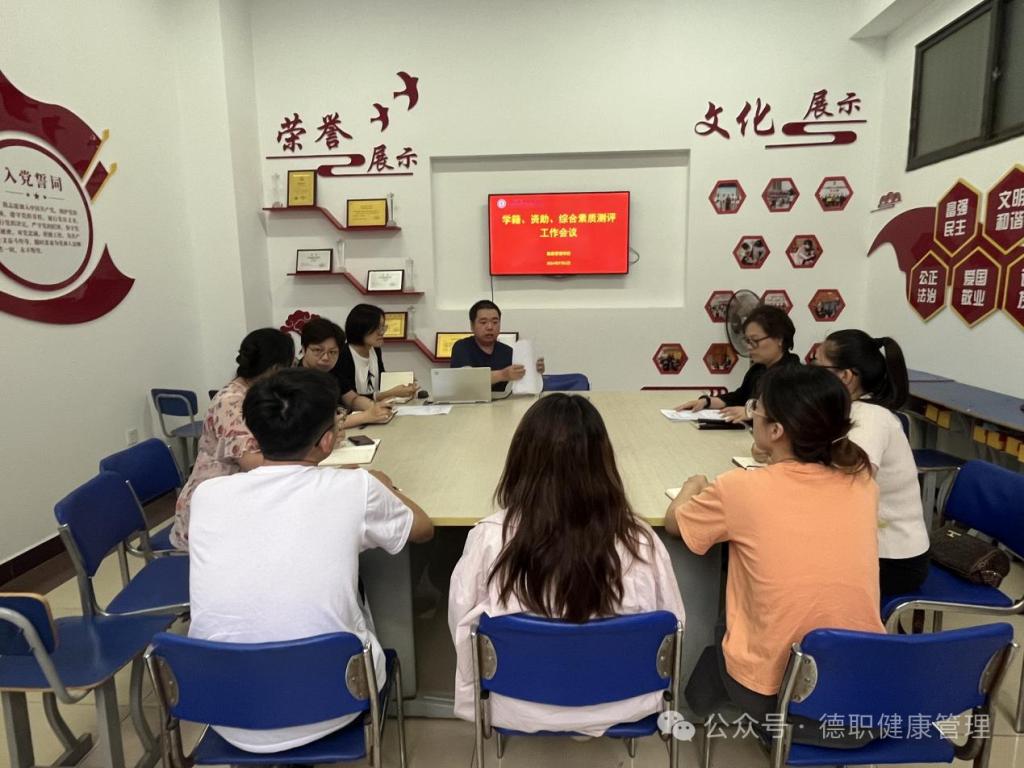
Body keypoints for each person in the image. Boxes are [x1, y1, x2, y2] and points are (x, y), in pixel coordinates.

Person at [187, 367, 433, 753]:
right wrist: (385, 486)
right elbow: (422, 529)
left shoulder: (208, 495)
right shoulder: (356, 488)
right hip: (335, 700)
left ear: (255, 433)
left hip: (223, 706)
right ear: (327, 441)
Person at [664, 365, 884, 747]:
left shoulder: (740, 489)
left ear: (777, 430)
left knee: (727, 603)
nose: (752, 414)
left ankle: (698, 705)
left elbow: (675, 523)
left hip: (779, 700)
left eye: (756, 410)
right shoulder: (862, 482)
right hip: (867, 695)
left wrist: (692, 486)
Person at [449, 394, 684, 735]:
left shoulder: (489, 538)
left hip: (512, 702)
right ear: (604, 462)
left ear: (520, 460)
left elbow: (461, 626)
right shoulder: (640, 541)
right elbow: (674, 628)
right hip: (626, 702)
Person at [813, 330, 929, 598]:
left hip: (893, 559)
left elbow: (851, 483)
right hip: (872, 546)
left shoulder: (871, 418)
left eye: (818, 367)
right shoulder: (850, 410)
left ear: (845, 376)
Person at [171, 328, 294, 550]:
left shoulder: (258, 393)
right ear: (276, 368)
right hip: (212, 506)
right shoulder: (231, 402)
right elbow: (250, 462)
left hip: (241, 493)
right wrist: (305, 455)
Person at [676, 304, 800, 421]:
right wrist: (706, 402)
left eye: (755, 340)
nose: (749, 347)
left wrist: (751, 413)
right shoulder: (758, 369)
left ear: (779, 339)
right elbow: (739, 397)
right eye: (747, 341)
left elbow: (787, 413)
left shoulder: (795, 376)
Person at [298, 315, 393, 428]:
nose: (326, 358)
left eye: (332, 352)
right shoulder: (295, 380)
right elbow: (316, 424)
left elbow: (352, 399)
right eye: (318, 350)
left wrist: (374, 407)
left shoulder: (332, 369)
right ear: (303, 349)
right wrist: (366, 416)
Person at [449, 300, 544, 392]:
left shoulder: (508, 352)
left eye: (495, 322)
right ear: (472, 325)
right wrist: (503, 375)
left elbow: (521, 384)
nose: (490, 327)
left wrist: (534, 372)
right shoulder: (462, 347)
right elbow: (466, 380)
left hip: (505, 401)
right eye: (483, 322)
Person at [337, 304, 419, 406]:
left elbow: (382, 383)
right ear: (360, 328)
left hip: (377, 410)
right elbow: (350, 400)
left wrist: (404, 381)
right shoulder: (342, 355)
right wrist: (389, 394)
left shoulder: (375, 350)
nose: (382, 332)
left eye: (383, 327)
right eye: (377, 328)